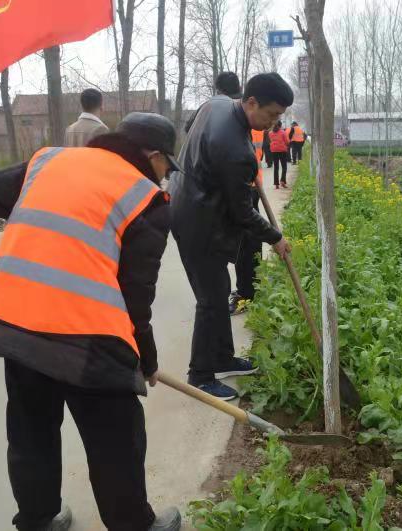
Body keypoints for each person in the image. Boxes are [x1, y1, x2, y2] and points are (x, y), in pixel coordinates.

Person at [0, 113, 183, 531]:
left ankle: (37, 520)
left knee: (31, 428)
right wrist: (144, 359)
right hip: (87, 338)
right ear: (154, 156)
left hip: (15, 323)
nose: (165, 176)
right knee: (116, 436)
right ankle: (132, 525)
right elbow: (135, 298)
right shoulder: (146, 198)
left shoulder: (48, 161)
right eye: (167, 166)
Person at [168, 72, 294, 400]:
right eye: (271, 115)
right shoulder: (235, 149)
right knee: (211, 299)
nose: (272, 123)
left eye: (278, 117)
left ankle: (222, 358)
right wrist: (275, 237)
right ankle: (200, 375)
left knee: (220, 289)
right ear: (251, 102)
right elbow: (242, 214)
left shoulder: (217, 104)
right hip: (197, 220)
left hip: (189, 203)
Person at [230, 129, 265, 315]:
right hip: (250, 185)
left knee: (246, 246)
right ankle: (250, 289)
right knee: (248, 243)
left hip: (245, 187)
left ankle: (247, 294)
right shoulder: (244, 124)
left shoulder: (241, 124)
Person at [268, 121, 290, 189]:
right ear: (280, 125)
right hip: (282, 150)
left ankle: (276, 184)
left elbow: (270, 140)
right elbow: (287, 141)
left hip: (274, 151)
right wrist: (287, 145)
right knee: (284, 167)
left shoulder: (270, 133)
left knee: (276, 167)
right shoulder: (283, 132)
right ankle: (283, 181)